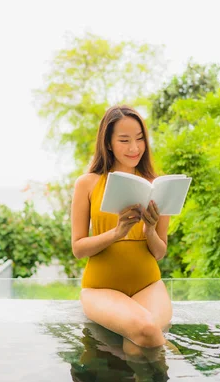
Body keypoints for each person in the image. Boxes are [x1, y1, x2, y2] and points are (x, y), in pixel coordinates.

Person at [71, 104, 173, 356]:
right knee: (147, 330)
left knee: (137, 347)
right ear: (108, 143)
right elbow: (78, 248)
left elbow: (160, 252)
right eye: (124, 140)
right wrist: (117, 233)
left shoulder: (157, 186)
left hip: (148, 285)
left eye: (139, 139)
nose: (134, 148)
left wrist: (149, 229)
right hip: (100, 288)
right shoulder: (87, 184)